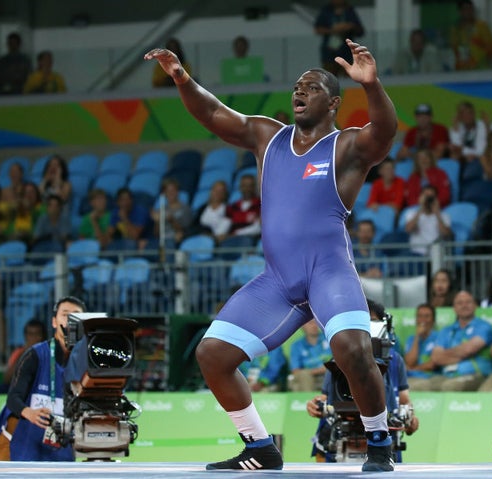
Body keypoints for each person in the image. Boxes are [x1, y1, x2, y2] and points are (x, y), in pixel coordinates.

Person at [145, 36, 398, 472]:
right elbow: (211, 112)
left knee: (353, 350)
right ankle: (260, 448)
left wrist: (372, 86)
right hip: (279, 282)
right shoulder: (267, 137)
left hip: (328, 273)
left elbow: (385, 133)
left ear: (334, 103)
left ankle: (379, 444)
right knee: (212, 355)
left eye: (312, 87)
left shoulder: (346, 148)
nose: (300, 92)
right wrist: (180, 76)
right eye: (297, 86)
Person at [306, 300, 419, 463]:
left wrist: (409, 418)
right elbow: (325, 399)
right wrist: (314, 406)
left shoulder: (394, 360)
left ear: (383, 326)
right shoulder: (338, 358)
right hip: (339, 439)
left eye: (372, 322)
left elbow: (405, 402)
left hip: (385, 438)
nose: (365, 328)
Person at [0, 296, 86, 461]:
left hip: (63, 451)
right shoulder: (35, 354)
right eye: (65, 314)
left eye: (76, 315)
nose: (70, 320)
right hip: (27, 450)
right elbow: (13, 398)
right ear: (54, 322)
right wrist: (28, 412)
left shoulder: (88, 362)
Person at [429, 290, 492, 391]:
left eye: (468, 302)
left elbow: (468, 350)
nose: (464, 305)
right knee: (423, 386)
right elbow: (436, 358)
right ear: (454, 308)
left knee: (450, 386)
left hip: (476, 375)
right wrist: (462, 354)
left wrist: (446, 355)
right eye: (460, 303)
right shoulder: (446, 330)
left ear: (475, 306)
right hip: (447, 375)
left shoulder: (483, 326)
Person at [314, 0, 364, 77]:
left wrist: (349, 26)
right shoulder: (326, 10)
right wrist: (333, 30)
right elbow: (318, 29)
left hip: (347, 53)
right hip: (329, 54)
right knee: (329, 80)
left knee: (350, 79)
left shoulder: (349, 10)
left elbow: (360, 31)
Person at [0, 319, 48, 392]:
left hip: (41, 387)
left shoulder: (49, 352)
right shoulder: (18, 352)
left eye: (37, 334)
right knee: (0, 388)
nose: (33, 338)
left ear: (43, 336)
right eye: (30, 334)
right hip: (22, 386)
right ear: (25, 336)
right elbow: (7, 378)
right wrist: (25, 353)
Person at [404, 185, 452, 256]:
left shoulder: (444, 216)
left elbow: (446, 234)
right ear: (421, 197)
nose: (428, 200)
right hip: (417, 254)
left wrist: (437, 214)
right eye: (426, 197)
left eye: (431, 197)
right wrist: (421, 208)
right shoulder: (411, 213)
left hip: (436, 255)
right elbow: (408, 229)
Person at [449, 0, 492, 71]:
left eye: (471, 9)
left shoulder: (481, 26)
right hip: (462, 69)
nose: (469, 12)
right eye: (466, 9)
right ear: (460, 11)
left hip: (480, 68)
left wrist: (477, 59)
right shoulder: (455, 29)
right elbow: (454, 49)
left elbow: (491, 48)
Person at [288, 319, 332, 392]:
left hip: (328, 373)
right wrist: (316, 371)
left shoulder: (329, 339)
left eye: (316, 323)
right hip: (308, 377)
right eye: (310, 323)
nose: (314, 326)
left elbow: (336, 362)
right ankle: (309, 400)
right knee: (303, 376)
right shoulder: (296, 346)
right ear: (302, 326)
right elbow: (295, 370)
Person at [403, 303, 439, 391]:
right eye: (420, 316)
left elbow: (433, 364)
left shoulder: (439, 337)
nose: (423, 320)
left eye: (427, 316)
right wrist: (417, 337)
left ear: (433, 320)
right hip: (410, 377)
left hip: (429, 377)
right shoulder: (411, 339)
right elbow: (410, 362)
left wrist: (413, 369)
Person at [151, 178, 192, 246]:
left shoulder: (185, 208)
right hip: (161, 241)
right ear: (164, 193)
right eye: (167, 191)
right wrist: (157, 221)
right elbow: (156, 234)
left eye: (173, 190)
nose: (170, 193)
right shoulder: (161, 210)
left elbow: (185, 231)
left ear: (178, 191)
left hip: (176, 240)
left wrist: (171, 220)